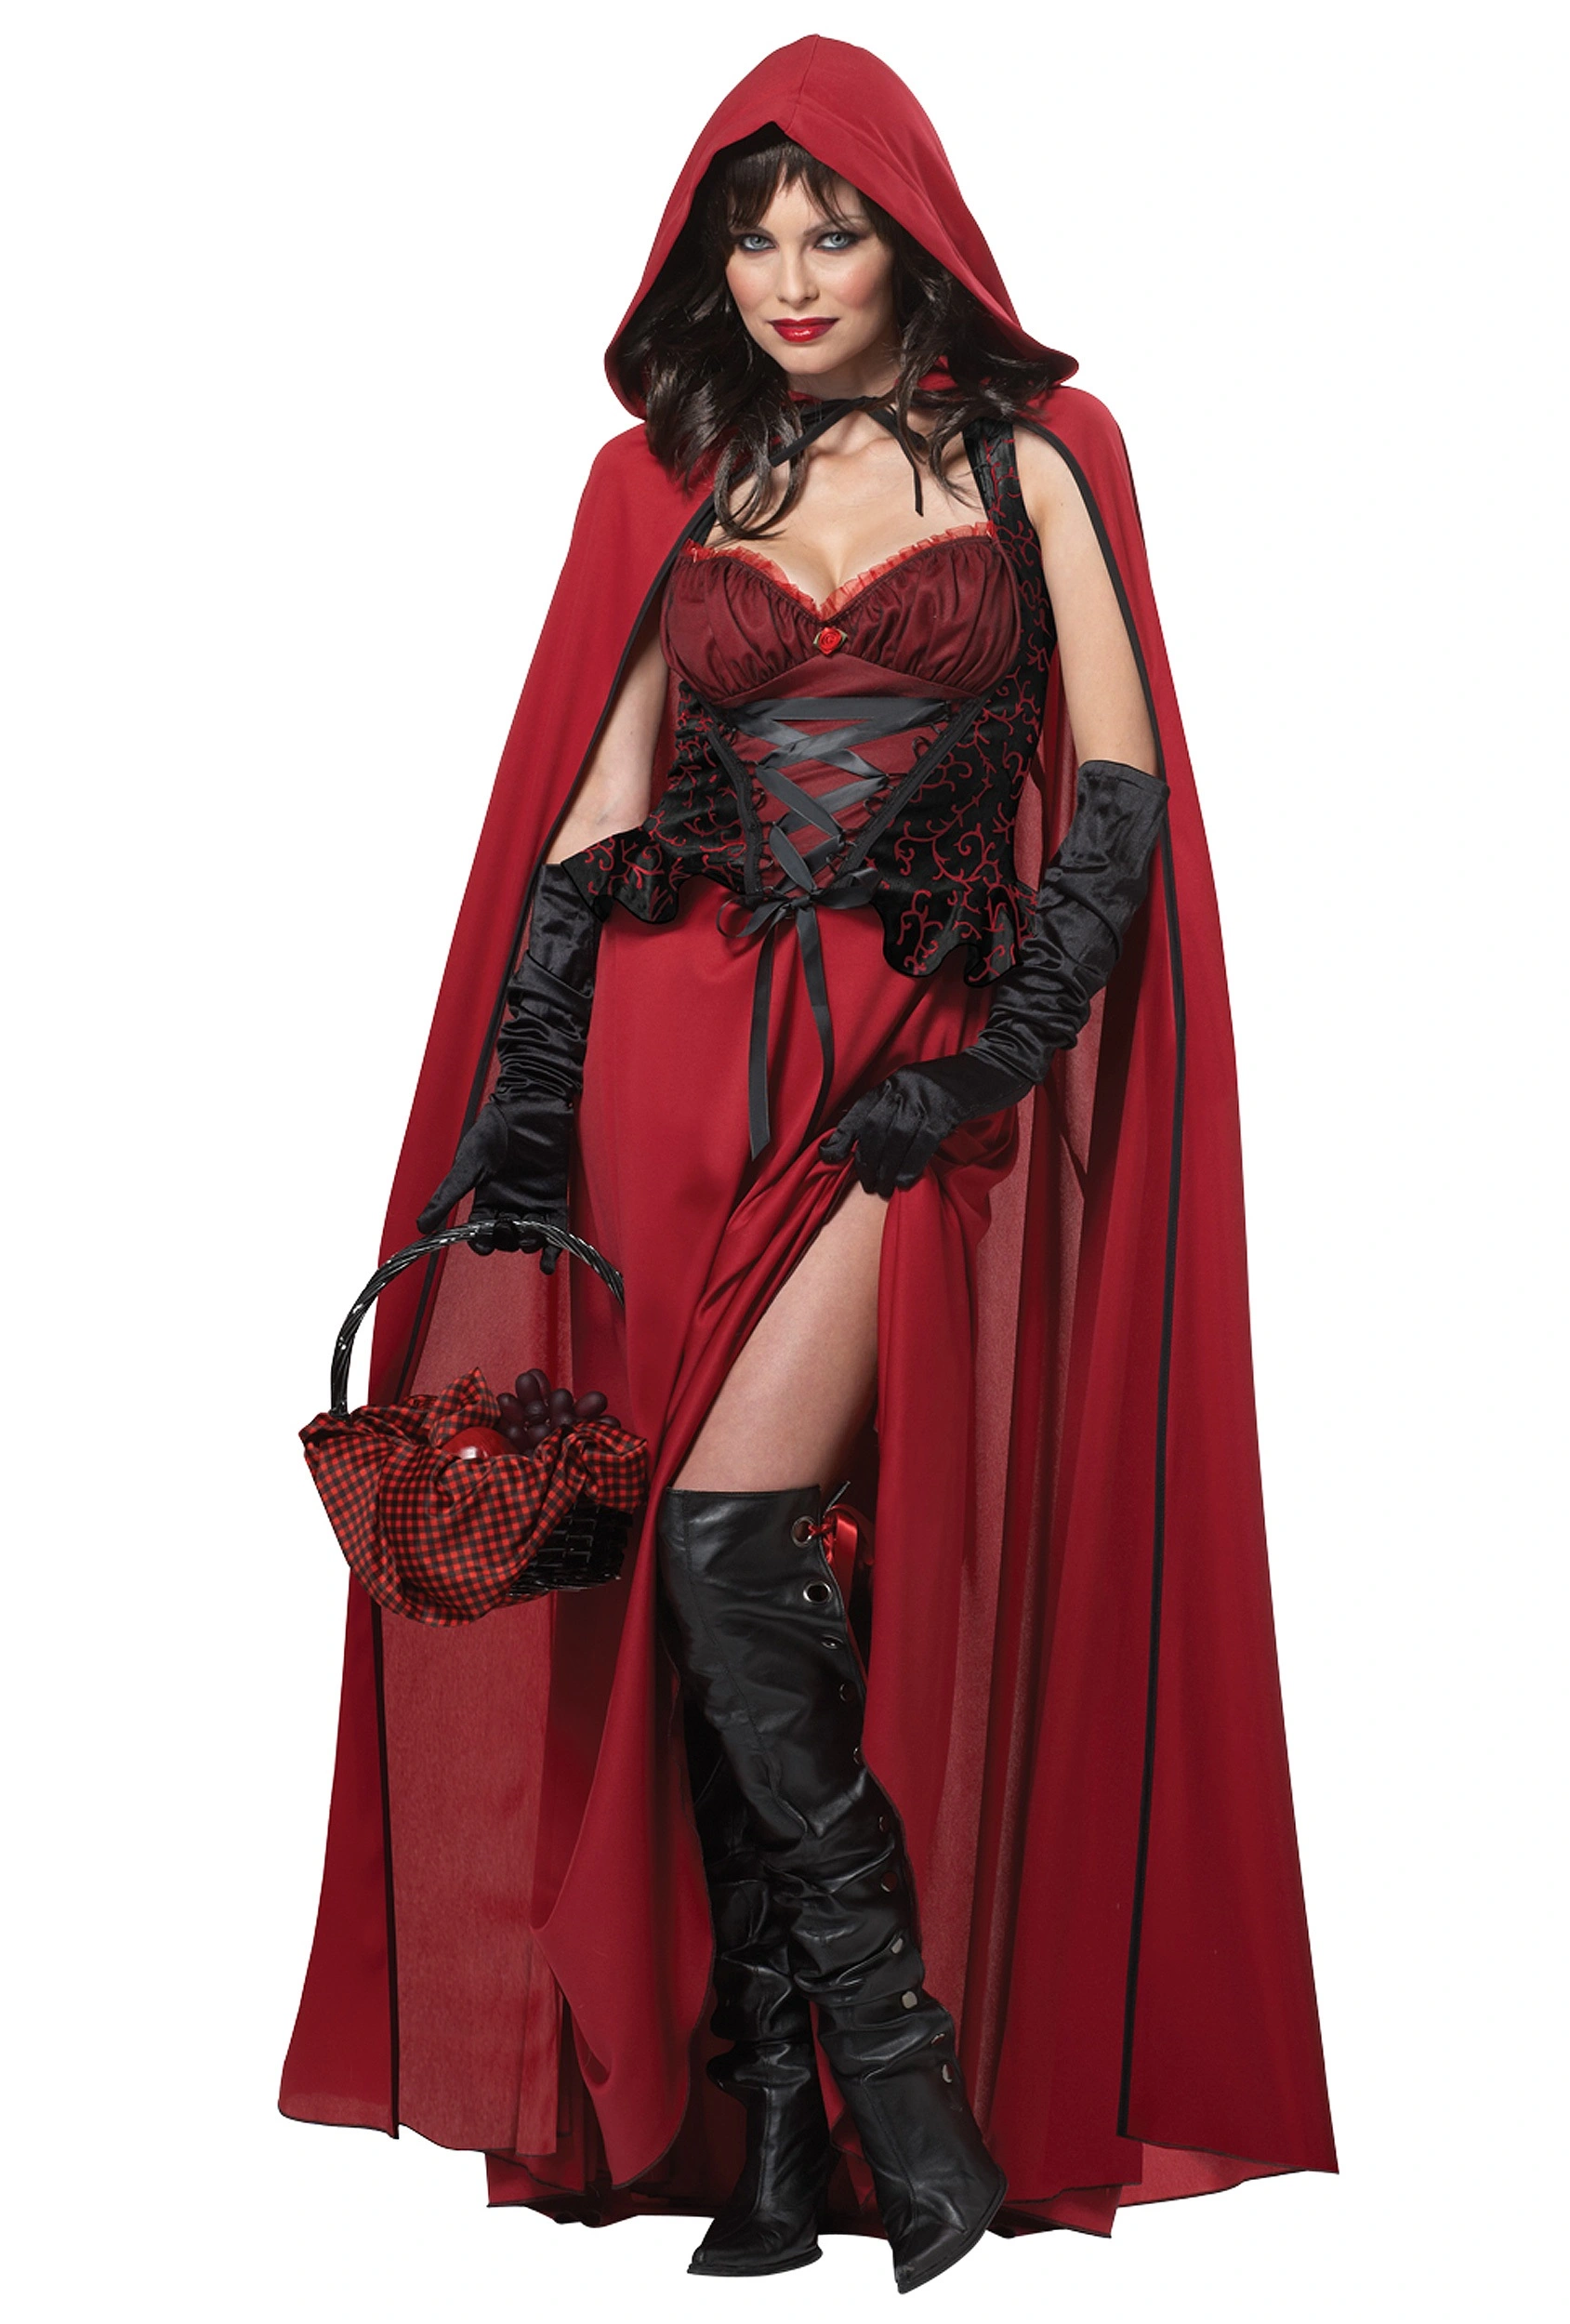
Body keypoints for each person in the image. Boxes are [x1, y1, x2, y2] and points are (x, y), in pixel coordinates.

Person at [282, 36, 1336, 2291]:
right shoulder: (657, 473)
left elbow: (1121, 794)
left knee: (733, 1531)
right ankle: (780, 2133)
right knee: (692, 1575)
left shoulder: (1044, 451)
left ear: (910, 237)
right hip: (667, 1071)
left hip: (904, 1065)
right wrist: (523, 1106)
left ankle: (903, 2094)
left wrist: (994, 1067)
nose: (785, 272)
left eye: (828, 229)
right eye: (748, 233)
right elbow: (593, 813)